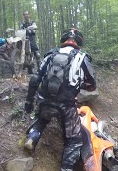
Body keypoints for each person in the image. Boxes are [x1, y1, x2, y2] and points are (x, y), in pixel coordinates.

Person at [22, 28, 96, 171]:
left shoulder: (51, 54)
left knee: (41, 120)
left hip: (45, 101)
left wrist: (29, 103)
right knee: (74, 139)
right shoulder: (82, 57)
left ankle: (32, 138)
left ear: (63, 40)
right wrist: (79, 85)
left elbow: (35, 79)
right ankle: (66, 168)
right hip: (67, 106)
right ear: (79, 42)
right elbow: (92, 85)